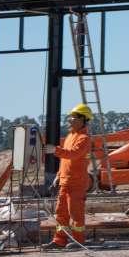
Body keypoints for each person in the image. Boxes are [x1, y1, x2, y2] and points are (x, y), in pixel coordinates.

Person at [43, 103, 93, 249]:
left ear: (83, 119)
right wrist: (58, 175)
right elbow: (65, 160)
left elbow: (74, 154)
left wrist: (55, 150)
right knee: (61, 213)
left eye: (73, 117)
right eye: (70, 117)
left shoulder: (84, 138)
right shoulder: (70, 136)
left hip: (77, 182)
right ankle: (59, 240)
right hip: (65, 181)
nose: (70, 119)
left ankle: (78, 241)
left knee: (75, 213)